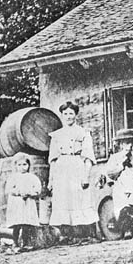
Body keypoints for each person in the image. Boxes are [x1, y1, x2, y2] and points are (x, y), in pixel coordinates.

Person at [48, 101, 99, 243]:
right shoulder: (56, 135)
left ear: (76, 115)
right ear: (62, 115)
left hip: (77, 166)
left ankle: (87, 234)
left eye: (71, 113)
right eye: (65, 114)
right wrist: (51, 180)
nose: (68, 116)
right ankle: (67, 235)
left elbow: (88, 156)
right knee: (63, 199)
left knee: (81, 199)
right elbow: (53, 159)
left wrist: (85, 176)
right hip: (61, 169)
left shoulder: (83, 133)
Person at [5, 152, 42, 250]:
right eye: (19, 165)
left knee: (26, 223)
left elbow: (38, 189)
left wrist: (30, 193)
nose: (22, 167)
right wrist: (18, 193)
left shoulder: (32, 178)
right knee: (16, 224)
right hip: (16, 203)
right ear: (15, 166)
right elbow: (8, 189)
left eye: (24, 164)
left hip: (28, 203)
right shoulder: (13, 177)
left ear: (29, 165)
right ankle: (15, 243)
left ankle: (26, 243)